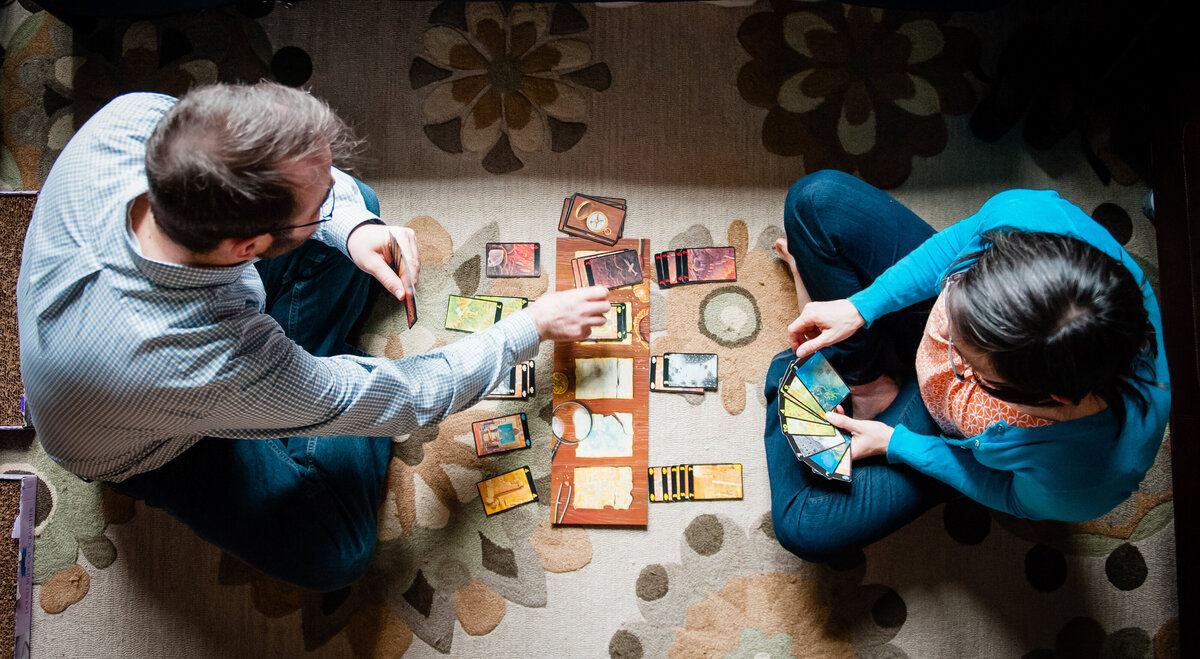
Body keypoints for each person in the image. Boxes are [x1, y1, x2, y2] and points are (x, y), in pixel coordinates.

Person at [16, 82, 611, 591]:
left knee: (366, 213)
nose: (333, 193)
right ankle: (307, 395)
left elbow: (323, 201)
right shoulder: (198, 359)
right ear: (244, 248)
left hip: (170, 343)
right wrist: (529, 326)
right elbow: (408, 398)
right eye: (319, 201)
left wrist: (351, 225)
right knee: (338, 551)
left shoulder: (133, 122)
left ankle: (304, 387)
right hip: (146, 444)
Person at [764, 170, 1170, 562]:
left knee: (807, 525)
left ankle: (816, 364)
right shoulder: (1032, 219)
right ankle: (868, 382)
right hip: (986, 344)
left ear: (1053, 397)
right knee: (816, 199)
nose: (943, 342)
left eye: (969, 362)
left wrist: (899, 444)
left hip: (951, 432)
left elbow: (1010, 494)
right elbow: (957, 245)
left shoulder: (1085, 477)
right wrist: (862, 306)